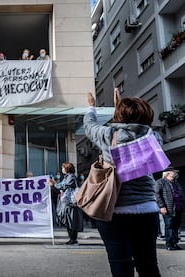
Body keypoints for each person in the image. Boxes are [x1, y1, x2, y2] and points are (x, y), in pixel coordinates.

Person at [83, 88, 162, 276]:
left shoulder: (108, 135)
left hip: (115, 210)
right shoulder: (153, 137)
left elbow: (89, 125)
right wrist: (121, 109)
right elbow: (131, 128)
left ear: (118, 115)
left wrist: (92, 107)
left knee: (121, 264)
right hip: (147, 209)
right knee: (148, 264)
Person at [156, 167, 185, 251]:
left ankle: (174, 243)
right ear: (168, 173)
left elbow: (181, 194)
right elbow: (157, 195)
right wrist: (162, 206)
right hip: (168, 208)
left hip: (178, 208)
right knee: (169, 226)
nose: (176, 173)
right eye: (174, 172)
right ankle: (169, 244)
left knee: (176, 226)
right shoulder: (160, 182)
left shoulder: (176, 183)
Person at [55, 162, 83, 245]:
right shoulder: (66, 177)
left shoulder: (71, 177)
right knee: (68, 220)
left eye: (63, 168)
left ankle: (73, 239)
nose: (62, 169)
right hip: (68, 202)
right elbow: (62, 185)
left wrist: (54, 185)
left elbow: (64, 186)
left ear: (67, 169)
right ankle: (72, 239)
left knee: (71, 221)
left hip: (71, 203)